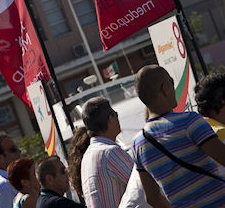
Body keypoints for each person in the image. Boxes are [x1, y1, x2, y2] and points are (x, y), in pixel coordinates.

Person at [132, 65, 225, 207]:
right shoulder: (189, 121)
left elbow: (152, 198)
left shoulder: (138, 143)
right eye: (172, 83)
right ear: (165, 88)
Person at [68, 97, 133, 208]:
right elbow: (145, 185)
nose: (117, 118)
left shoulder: (87, 156)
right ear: (110, 119)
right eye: (115, 114)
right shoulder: (110, 153)